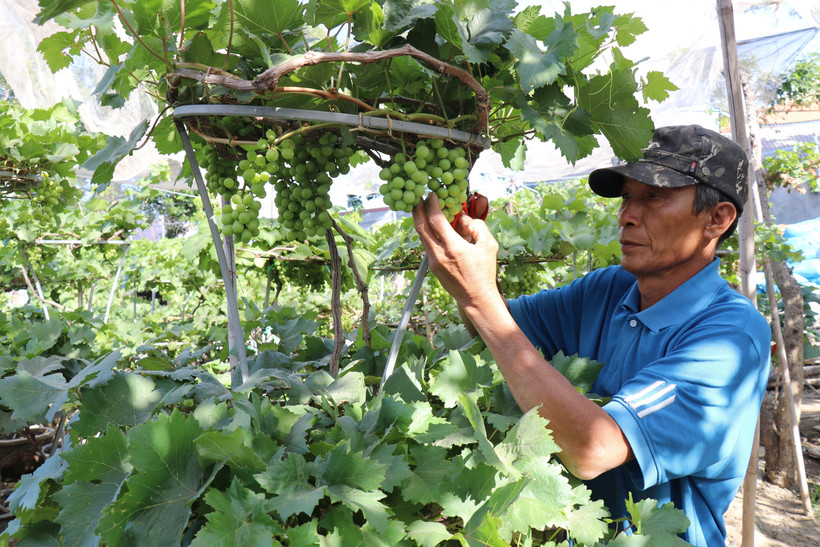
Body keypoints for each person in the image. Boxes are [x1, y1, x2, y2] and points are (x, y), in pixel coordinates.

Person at [412, 125, 771, 546]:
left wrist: (478, 297)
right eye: (627, 198)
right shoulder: (609, 288)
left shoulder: (730, 338)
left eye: (653, 197)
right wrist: (473, 281)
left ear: (718, 218)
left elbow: (593, 449)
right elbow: (495, 327)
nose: (627, 215)